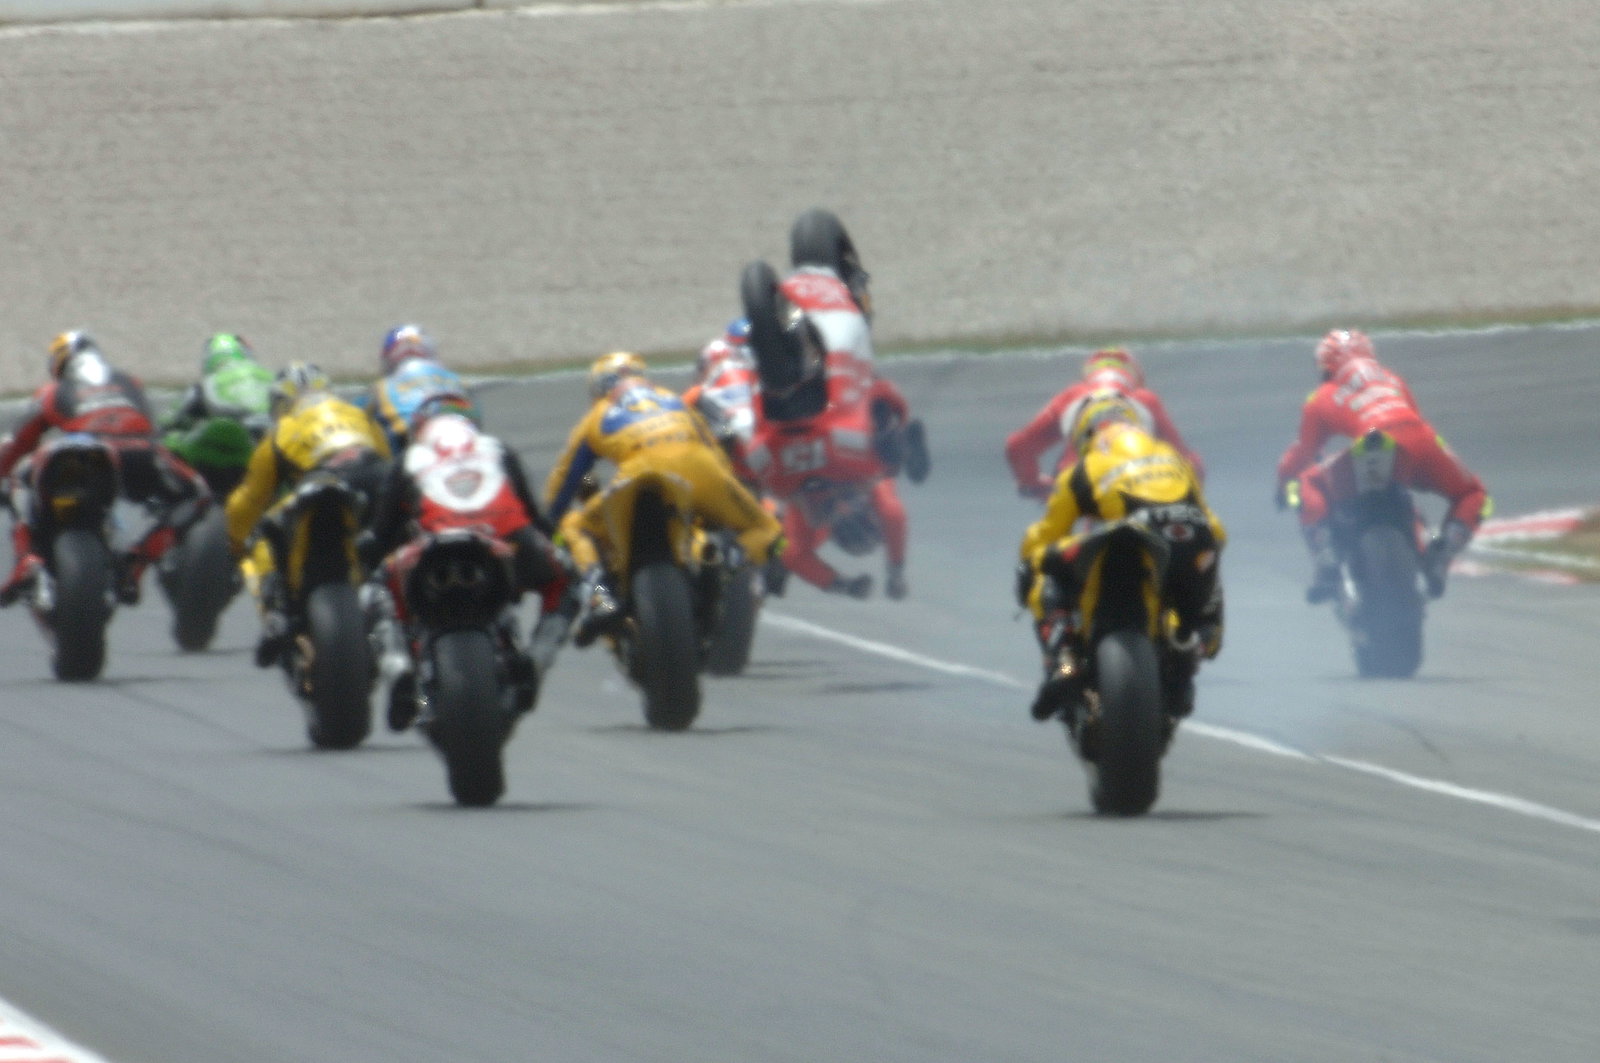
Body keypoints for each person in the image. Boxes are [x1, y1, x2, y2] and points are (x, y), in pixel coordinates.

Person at [359, 393, 573, 725]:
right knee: (569, 579)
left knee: (375, 588)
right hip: (506, 537)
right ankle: (536, 659)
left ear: (419, 429)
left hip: (433, 543)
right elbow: (536, 518)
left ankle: (397, 666)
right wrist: (561, 545)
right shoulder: (496, 448)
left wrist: (364, 555)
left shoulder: (409, 458)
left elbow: (379, 537)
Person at [544, 351, 784, 647]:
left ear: (598, 388)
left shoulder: (598, 415)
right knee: (768, 530)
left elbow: (566, 478)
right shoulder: (675, 400)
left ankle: (600, 596)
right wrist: (723, 502)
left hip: (638, 472)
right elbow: (717, 455)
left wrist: (549, 523)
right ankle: (730, 561)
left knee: (574, 527)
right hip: (702, 468)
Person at [1016, 393, 1226, 722]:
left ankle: (1065, 662)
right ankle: (1187, 650)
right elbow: (1215, 530)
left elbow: (1044, 535)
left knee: (1042, 566)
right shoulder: (1173, 458)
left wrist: (1028, 563)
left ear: (1084, 435)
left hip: (1123, 543)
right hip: (1186, 540)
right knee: (1203, 568)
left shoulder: (1083, 468)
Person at [1275, 328, 1490, 602]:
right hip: (1420, 439)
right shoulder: (1394, 380)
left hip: (1369, 444)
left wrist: (1282, 484)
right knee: (1473, 493)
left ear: (1327, 366)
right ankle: (1443, 554)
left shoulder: (1320, 396)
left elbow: (1303, 452)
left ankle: (1325, 556)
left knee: (1307, 481)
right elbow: (1414, 418)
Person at [0, 331, 210, 607]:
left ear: (59, 364)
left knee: (18, 479)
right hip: (140, 451)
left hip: (78, 451)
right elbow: (154, 427)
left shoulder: (51, 391)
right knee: (197, 494)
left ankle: (26, 558)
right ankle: (138, 560)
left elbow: (20, 441)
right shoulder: (130, 382)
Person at [225, 361, 392, 666]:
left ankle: (276, 616)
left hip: (323, 484)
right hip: (375, 479)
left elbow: (246, 502)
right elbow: (388, 461)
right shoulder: (358, 415)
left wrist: (235, 545)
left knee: (262, 537)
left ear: (281, 403)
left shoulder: (283, 429)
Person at [783, 208, 930, 482]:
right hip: (795, 384)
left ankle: (897, 440)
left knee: (878, 392)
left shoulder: (847, 284)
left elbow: (862, 327)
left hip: (840, 381)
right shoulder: (788, 290)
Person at [1005, 346, 1205, 500]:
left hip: (1078, 484)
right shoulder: (1146, 400)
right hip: (1136, 485)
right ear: (1135, 377)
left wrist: (1031, 482)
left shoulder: (1071, 397)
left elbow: (1018, 445)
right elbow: (1189, 463)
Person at [363, 324, 468, 453]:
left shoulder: (380, 388)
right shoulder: (458, 380)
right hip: (461, 437)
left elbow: (359, 416)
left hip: (414, 444)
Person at [162, 332, 274, 434]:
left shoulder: (203, 386)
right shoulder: (268, 374)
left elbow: (169, 420)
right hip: (272, 430)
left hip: (232, 434)